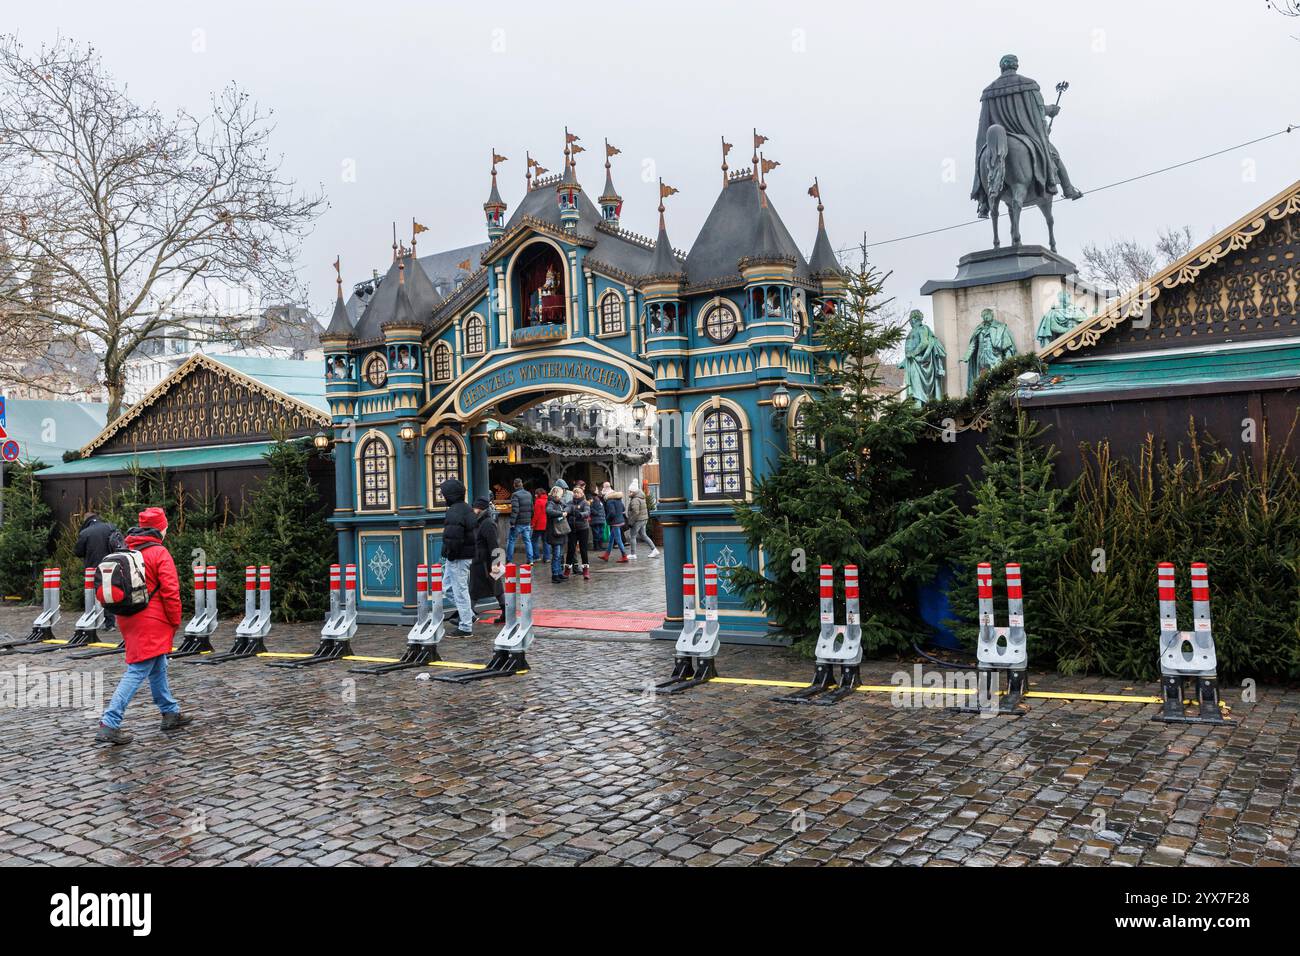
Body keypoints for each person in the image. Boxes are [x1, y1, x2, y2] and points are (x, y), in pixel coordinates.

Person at [95, 508, 190, 745]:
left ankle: (170, 712)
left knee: (157, 663)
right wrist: (175, 620)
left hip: (128, 615)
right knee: (138, 669)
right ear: (160, 527)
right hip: (153, 620)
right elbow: (170, 592)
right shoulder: (159, 552)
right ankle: (109, 723)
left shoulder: (128, 547)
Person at [439, 477, 478, 635]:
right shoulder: (467, 508)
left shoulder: (454, 512)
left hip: (458, 557)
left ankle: (465, 626)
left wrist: (451, 554)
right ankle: (469, 615)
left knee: (459, 590)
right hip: (462, 555)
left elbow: (454, 538)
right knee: (447, 588)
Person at [74, 511, 123, 631]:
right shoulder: (110, 527)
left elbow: (77, 552)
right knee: (109, 593)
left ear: (86, 520)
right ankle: (110, 623)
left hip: (94, 568)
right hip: (112, 564)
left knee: (95, 594)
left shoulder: (85, 533)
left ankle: (94, 620)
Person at [470, 496, 506, 624]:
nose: (473, 510)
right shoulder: (480, 521)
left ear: (479, 508)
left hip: (486, 562)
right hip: (481, 560)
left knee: (477, 589)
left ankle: (466, 615)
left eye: (474, 507)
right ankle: (506, 612)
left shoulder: (488, 523)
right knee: (493, 588)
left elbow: (494, 544)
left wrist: (497, 563)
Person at [625, 480, 659, 559]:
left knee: (632, 536)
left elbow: (635, 512)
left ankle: (633, 554)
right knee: (644, 535)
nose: (629, 492)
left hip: (637, 520)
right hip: (643, 519)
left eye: (630, 491)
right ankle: (654, 549)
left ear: (633, 491)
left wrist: (631, 522)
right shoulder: (641, 496)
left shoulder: (635, 500)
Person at [565, 487, 592, 581]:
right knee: (571, 549)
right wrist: (566, 511)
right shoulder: (570, 503)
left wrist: (581, 514)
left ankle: (586, 570)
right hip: (572, 529)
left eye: (578, 492)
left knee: (583, 549)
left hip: (583, 528)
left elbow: (587, 512)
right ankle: (567, 570)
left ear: (582, 494)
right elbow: (567, 508)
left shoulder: (585, 503)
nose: (576, 494)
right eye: (575, 492)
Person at [506, 478, 535, 563]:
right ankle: (530, 560)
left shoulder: (515, 495)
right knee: (527, 541)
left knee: (511, 540)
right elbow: (532, 508)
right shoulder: (529, 494)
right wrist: (530, 518)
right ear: (522, 484)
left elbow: (515, 510)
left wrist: (512, 522)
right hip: (527, 522)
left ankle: (509, 560)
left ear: (514, 485)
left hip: (518, 523)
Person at [598, 482, 628, 563]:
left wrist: (607, 519)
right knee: (611, 539)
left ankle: (624, 556)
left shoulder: (609, 501)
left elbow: (612, 513)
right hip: (619, 520)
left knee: (618, 540)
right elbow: (623, 508)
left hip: (615, 522)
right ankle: (606, 555)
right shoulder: (618, 498)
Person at [545, 486, 570, 584]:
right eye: (560, 494)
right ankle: (555, 574)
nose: (562, 496)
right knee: (556, 555)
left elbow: (568, 506)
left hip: (561, 532)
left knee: (560, 555)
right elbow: (549, 511)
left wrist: (565, 510)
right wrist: (561, 513)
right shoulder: (550, 503)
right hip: (554, 532)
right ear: (556, 493)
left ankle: (559, 573)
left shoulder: (559, 502)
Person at [531, 487, 550, 563]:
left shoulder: (538, 501)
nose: (535, 495)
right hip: (547, 524)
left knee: (534, 540)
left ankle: (536, 556)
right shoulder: (548, 500)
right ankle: (547, 557)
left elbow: (536, 515)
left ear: (538, 494)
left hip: (539, 525)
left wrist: (533, 524)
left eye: (536, 494)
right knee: (545, 541)